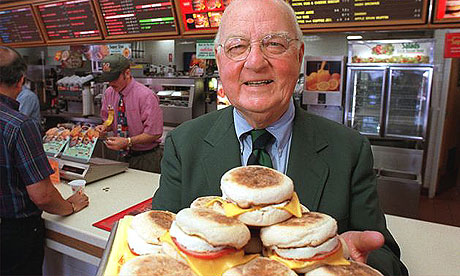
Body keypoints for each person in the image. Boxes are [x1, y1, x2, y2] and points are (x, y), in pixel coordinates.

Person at [151, 0, 408, 275]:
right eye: (237, 47)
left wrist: (351, 261)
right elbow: (160, 243)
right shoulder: (183, 144)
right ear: (220, 59)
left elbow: (387, 257)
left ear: (299, 56)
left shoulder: (348, 150)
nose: (255, 62)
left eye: (274, 44)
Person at [0, 46, 89, 275]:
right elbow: (42, 195)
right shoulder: (18, 124)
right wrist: (69, 206)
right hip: (14, 235)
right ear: (21, 81)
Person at [95, 54, 163, 173]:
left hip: (146, 157)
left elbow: (154, 133)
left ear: (127, 73)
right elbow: (109, 120)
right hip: (120, 156)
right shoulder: (109, 93)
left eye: (114, 79)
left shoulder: (145, 96)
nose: (111, 83)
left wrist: (128, 142)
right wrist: (104, 128)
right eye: (108, 79)